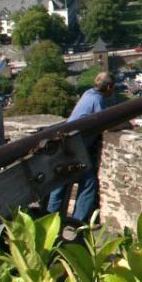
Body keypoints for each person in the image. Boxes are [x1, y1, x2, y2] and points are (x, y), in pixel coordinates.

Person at [45, 71, 116, 225]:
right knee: (88, 183)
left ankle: (49, 222)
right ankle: (77, 223)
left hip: (66, 141)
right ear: (109, 87)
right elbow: (105, 124)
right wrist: (124, 125)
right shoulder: (98, 100)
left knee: (59, 184)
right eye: (113, 88)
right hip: (74, 146)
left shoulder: (88, 93)